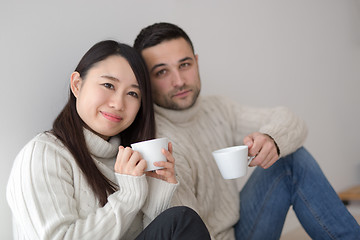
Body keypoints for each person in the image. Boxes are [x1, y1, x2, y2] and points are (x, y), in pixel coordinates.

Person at [133, 22, 360, 239]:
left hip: (240, 229)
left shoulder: (217, 108)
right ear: (145, 80)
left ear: (197, 62)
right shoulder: (156, 143)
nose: (179, 81)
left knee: (291, 159)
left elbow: (291, 120)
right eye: (162, 72)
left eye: (185, 65)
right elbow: (184, 229)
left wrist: (272, 139)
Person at [6, 40, 211, 240]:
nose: (118, 103)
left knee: (178, 220)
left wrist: (156, 195)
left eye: (132, 93)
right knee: (181, 219)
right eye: (108, 85)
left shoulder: (130, 162)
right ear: (77, 85)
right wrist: (128, 198)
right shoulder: (43, 154)